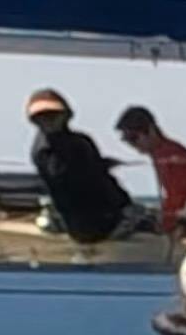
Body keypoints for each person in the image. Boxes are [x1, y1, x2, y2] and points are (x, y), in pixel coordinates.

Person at [24, 90, 133, 245]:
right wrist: (97, 168)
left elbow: (94, 176)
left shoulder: (81, 141)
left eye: (53, 115)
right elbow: (71, 183)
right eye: (41, 118)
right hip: (92, 224)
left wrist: (101, 165)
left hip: (107, 212)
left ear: (65, 116)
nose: (48, 121)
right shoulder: (45, 152)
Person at [114, 103, 186, 236]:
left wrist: (162, 225)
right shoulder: (161, 154)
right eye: (126, 140)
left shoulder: (173, 157)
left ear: (151, 130)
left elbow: (181, 200)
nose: (132, 146)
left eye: (133, 138)